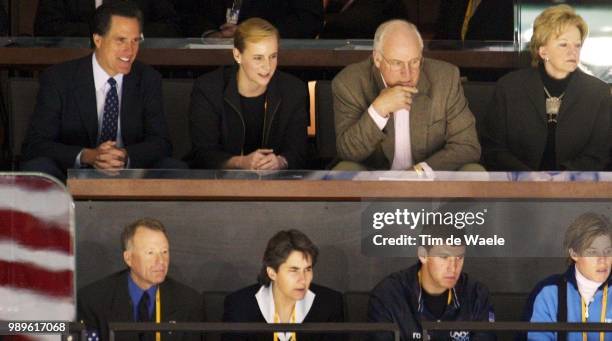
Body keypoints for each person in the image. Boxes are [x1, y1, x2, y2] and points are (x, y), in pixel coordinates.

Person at [21, 1, 183, 182]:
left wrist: (123, 156)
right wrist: (88, 155)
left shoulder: (148, 78)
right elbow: (36, 145)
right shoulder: (59, 78)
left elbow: (161, 143)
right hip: (72, 176)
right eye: (120, 40)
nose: (129, 50)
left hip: (130, 175)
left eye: (135, 41)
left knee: (175, 169)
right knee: (37, 169)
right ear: (98, 40)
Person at [332, 19, 481, 172]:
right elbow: (348, 152)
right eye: (397, 63)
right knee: (343, 170)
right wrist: (378, 110)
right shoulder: (349, 83)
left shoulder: (446, 78)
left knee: (476, 172)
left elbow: (468, 146)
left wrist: (419, 172)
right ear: (377, 59)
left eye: (415, 61)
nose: (407, 74)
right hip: (375, 182)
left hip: (432, 181)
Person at [482, 4, 610, 171]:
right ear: (543, 51)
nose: (573, 52)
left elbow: (600, 154)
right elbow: (493, 149)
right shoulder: (509, 87)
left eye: (577, 45)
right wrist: (529, 178)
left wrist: (562, 177)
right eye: (563, 45)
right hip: (518, 186)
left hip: (576, 188)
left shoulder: (598, 92)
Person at [189, 18, 308, 170]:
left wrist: (280, 162)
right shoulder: (208, 88)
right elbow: (203, 154)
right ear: (237, 55)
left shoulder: (293, 89)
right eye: (258, 58)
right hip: (220, 184)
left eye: (273, 56)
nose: (267, 66)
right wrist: (241, 162)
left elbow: (299, 151)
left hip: (278, 184)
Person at [77, 218, 204, 341]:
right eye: (150, 253)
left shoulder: (189, 302)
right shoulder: (93, 300)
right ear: (128, 258)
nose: (161, 261)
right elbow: (61, 329)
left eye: (165, 252)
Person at [368, 224, 494, 341]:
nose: (453, 268)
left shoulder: (477, 295)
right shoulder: (388, 295)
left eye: (459, 258)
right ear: (423, 255)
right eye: (444, 257)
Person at [222, 229, 345, 341]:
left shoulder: (330, 303)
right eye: (293, 270)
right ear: (272, 273)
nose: (303, 280)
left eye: (307, 269)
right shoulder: (239, 305)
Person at [524, 213, 612, 341]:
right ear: (574, 253)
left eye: (608, 251)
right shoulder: (549, 292)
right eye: (592, 252)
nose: (602, 260)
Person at [34, 0, 182, 37]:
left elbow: (170, 27)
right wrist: (104, 31)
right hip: (75, 69)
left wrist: (128, 35)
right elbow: (46, 27)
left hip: (137, 70)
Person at [202, 0, 324, 39]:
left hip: (279, 69)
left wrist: (255, 34)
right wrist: (210, 34)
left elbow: (308, 19)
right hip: (207, 66)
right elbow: (190, 12)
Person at [434, 0, 514, 41]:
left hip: (493, 69)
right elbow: (439, 38)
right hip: (452, 67)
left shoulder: (508, 3)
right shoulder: (452, 2)